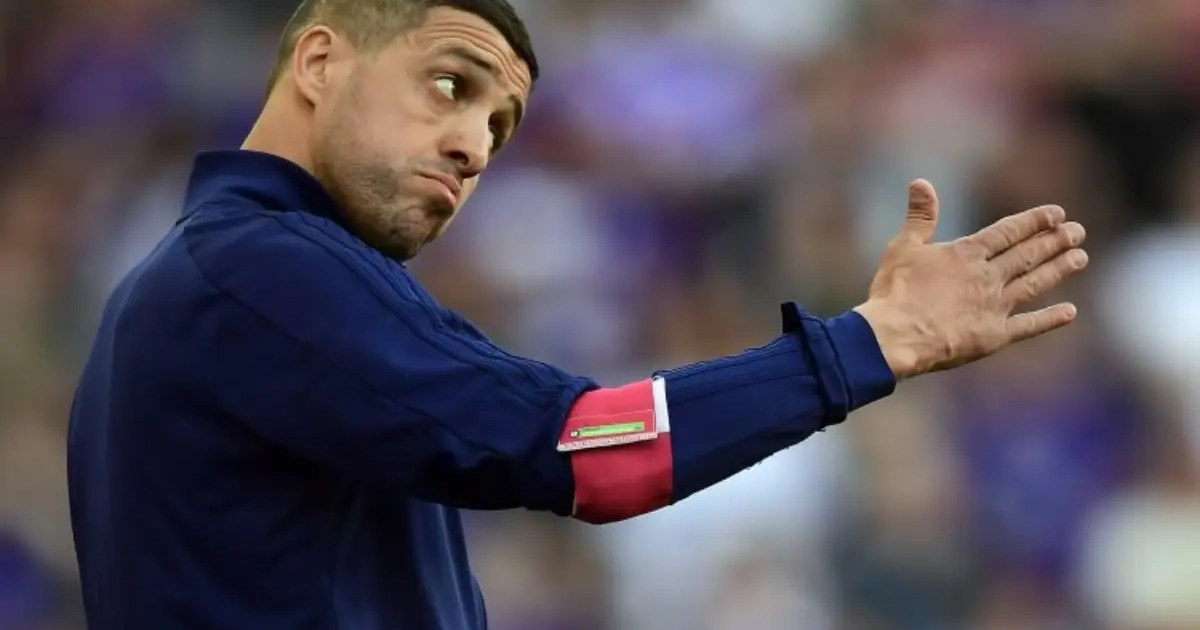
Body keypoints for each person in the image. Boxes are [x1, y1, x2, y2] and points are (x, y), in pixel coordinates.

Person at [65, 0, 1090, 629]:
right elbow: (586, 450)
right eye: (450, 84)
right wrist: (867, 344)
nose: (473, 145)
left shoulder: (196, 284)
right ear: (320, 62)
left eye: (498, 125)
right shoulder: (265, 269)